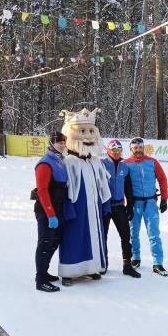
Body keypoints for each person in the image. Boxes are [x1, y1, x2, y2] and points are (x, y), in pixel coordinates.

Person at [58, 108, 112, 286]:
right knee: (73, 236)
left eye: (90, 131)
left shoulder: (95, 161)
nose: (88, 137)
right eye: (82, 131)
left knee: (93, 236)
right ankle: (69, 271)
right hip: (76, 207)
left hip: (93, 208)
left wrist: (105, 204)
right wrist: (66, 208)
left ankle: (90, 268)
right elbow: (64, 188)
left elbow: (103, 184)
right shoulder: (68, 162)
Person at [124, 137, 168, 276]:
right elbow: (121, 184)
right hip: (134, 204)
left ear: (144, 148)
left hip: (150, 203)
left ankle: (157, 263)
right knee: (133, 233)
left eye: (140, 147)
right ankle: (135, 258)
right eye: (135, 148)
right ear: (131, 149)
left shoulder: (152, 162)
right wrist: (124, 204)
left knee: (154, 234)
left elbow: (162, 179)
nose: (138, 150)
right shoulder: (126, 164)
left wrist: (164, 199)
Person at [33, 131, 68, 293]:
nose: (62, 145)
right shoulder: (45, 163)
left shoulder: (60, 161)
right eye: (59, 143)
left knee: (55, 240)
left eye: (63, 143)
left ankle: (44, 271)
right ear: (52, 143)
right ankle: (40, 280)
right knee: (45, 244)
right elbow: (42, 190)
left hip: (58, 209)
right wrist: (50, 214)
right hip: (46, 211)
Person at [102, 139, 140, 278]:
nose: (117, 153)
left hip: (119, 206)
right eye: (114, 150)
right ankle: (103, 263)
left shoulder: (125, 167)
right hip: (105, 206)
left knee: (126, 235)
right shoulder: (102, 164)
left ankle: (127, 265)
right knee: (102, 236)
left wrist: (130, 205)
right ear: (108, 150)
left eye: (119, 150)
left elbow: (128, 188)